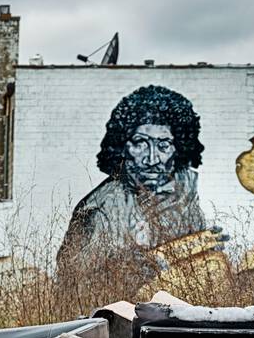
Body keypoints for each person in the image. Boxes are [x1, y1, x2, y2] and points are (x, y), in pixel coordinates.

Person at [56, 85, 207, 277]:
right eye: (140, 143)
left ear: (179, 148)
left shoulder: (185, 192)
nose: (152, 159)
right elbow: (71, 277)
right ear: (122, 147)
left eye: (163, 145)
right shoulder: (101, 208)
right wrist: (123, 266)